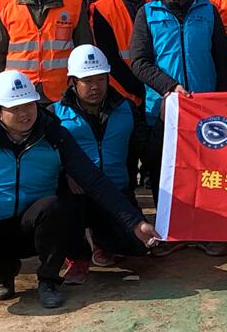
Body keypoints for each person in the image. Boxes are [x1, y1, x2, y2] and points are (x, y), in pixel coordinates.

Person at [0, 73, 161, 308]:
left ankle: (48, 281)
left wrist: (134, 223)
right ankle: (4, 272)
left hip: (35, 227)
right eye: (15, 108)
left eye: (29, 105)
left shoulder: (55, 135)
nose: (25, 114)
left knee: (54, 207)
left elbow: (94, 181)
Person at [128, 0, 227, 257]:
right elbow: (139, 62)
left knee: (205, 172)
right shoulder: (147, 14)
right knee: (166, 173)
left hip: (205, 110)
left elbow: (221, 59)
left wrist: (224, 101)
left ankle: (206, 230)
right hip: (164, 110)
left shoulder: (207, 10)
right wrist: (169, 87)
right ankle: (169, 232)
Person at [54, 46, 149, 283]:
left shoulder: (126, 108)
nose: (95, 86)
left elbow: (143, 147)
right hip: (77, 194)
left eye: (100, 79)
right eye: (87, 81)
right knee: (60, 209)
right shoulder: (55, 114)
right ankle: (77, 257)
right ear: (73, 82)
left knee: (138, 246)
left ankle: (102, 242)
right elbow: (45, 158)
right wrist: (65, 174)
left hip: (116, 191)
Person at [90, 0, 152, 105]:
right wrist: (140, 89)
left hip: (160, 86)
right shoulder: (102, 9)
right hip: (123, 93)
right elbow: (109, 57)